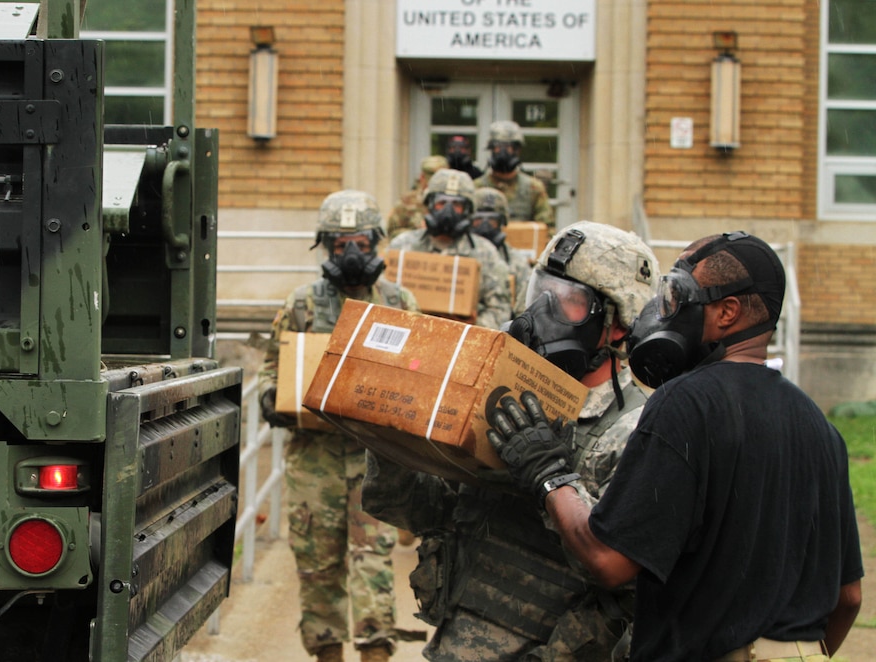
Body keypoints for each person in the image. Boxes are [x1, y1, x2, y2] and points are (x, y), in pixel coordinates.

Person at [488, 231, 865, 661]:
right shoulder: (820, 426)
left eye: (678, 297)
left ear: (728, 312)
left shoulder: (683, 405)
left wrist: (548, 472)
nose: (664, 311)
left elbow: (608, 561)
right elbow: (849, 597)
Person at [363, 221, 661, 661]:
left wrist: (551, 480)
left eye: (567, 301)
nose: (542, 313)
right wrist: (388, 439)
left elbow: (627, 584)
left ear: (617, 325)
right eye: (540, 292)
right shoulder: (506, 396)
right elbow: (423, 513)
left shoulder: (637, 432)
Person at [258, 190, 418, 662]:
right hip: (314, 460)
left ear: (375, 245)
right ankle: (327, 652)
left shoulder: (399, 301)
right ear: (324, 246)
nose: (351, 255)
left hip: (377, 459)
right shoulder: (302, 305)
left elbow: (420, 372)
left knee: (372, 561)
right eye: (340, 243)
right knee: (317, 563)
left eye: (361, 244)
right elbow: (274, 366)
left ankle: (376, 651)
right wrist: (273, 396)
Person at [388, 168, 511, 330]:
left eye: (457, 205)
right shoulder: (402, 247)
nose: (448, 211)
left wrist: (472, 325)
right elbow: (383, 300)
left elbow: (500, 310)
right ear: (430, 205)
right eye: (441, 203)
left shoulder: (485, 253)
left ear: (468, 210)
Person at [474, 120, 554, 229]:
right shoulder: (476, 187)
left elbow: (546, 228)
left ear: (517, 150)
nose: (502, 152)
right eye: (498, 146)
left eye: (507, 147)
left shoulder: (533, 188)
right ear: (491, 149)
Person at [470, 186, 535, 314]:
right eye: (478, 220)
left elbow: (526, 308)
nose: (485, 226)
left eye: (492, 221)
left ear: (502, 222)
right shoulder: (461, 254)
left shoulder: (516, 262)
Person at [386, 154, 449, 242]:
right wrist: (417, 232)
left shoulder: (453, 203)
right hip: (414, 252)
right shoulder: (407, 201)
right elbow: (392, 233)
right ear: (422, 177)